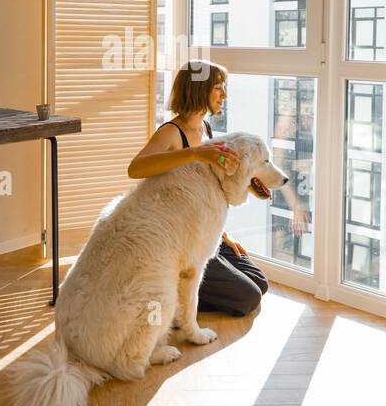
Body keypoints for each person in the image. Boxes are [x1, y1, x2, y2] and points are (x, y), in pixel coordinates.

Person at [127, 60, 310, 316]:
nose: (224, 95)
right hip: (181, 241)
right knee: (247, 297)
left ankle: (187, 290)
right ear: (198, 90)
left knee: (258, 281)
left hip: (205, 230)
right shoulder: (170, 132)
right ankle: (178, 297)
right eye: (217, 88)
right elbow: (135, 168)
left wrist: (223, 235)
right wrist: (195, 154)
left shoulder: (206, 129)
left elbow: (211, 190)